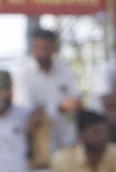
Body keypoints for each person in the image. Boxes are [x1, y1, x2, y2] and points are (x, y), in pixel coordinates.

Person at [14, 28, 82, 161]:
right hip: (39, 138)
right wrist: (58, 108)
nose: (42, 52)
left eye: (46, 48)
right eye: (38, 47)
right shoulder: (23, 73)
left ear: (54, 48)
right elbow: (25, 112)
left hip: (66, 133)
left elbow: (75, 98)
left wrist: (74, 104)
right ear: (32, 48)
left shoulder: (65, 70)